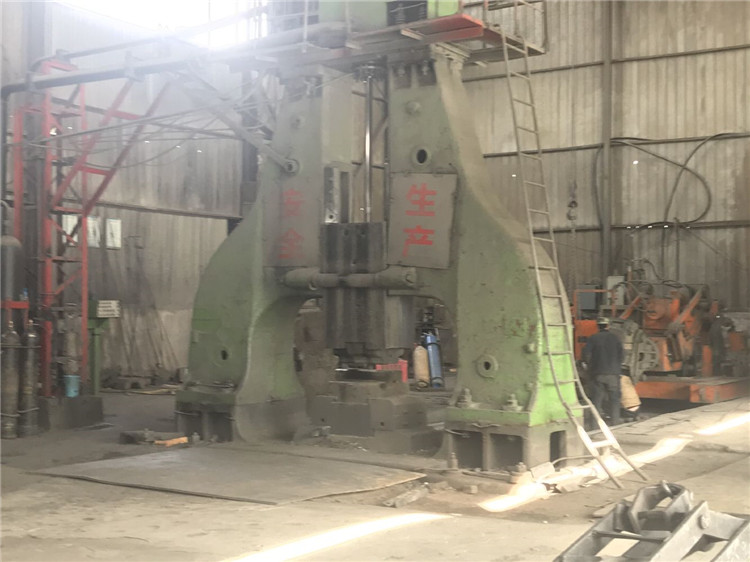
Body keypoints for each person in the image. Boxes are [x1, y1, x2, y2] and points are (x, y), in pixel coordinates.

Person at [582, 317, 624, 426]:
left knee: (596, 400)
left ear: (598, 326)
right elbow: (622, 356)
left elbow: (586, 354)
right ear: (608, 326)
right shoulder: (615, 338)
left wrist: (589, 365)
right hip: (613, 374)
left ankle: (594, 424)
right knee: (614, 399)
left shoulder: (593, 338)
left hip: (598, 373)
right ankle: (615, 422)